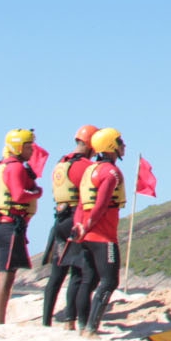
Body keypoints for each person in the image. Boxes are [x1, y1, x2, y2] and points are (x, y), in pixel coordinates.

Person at [0, 128, 43, 325]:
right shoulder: (15, 167)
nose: (32, 150)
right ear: (18, 147)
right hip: (9, 229)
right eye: (28, 146)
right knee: (6, 276)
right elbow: (18, 195)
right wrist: (36, 192)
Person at [70, 128, 127, 337]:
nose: (123, 146)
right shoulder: (111, 172)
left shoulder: (89, 171)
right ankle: (92, 328)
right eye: (120, 142)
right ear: (111, 146)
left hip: (85, 234)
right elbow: (101, 204)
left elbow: (80, 204)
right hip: (103, 236)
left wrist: (79, 226)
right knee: (110, 281)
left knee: (89, 279)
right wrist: (90, 224)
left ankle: (83, 325)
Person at [40, 126, 97, 329]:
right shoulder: (84, 166)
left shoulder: (60, 163)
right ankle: (70, 321)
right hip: (75, 219)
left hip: (59, 220)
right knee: (78, 272)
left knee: (56, 274)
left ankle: (46, 321)